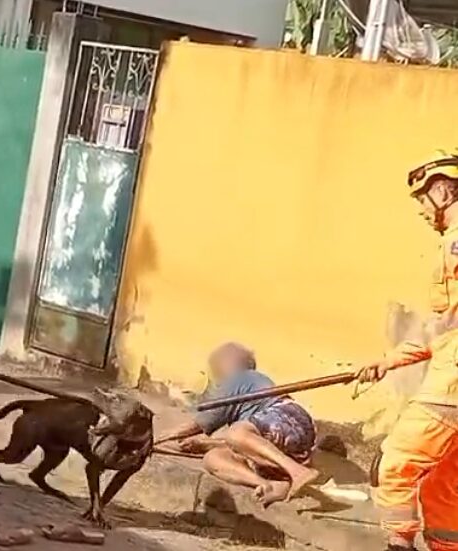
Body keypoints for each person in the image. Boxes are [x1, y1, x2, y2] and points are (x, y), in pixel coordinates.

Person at [355, 150, 458, 551]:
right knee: (441, 487)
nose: (419, 209)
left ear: (443, 190)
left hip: (451, 386)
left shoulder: (455, 245)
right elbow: (444, 327)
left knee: (393, 468)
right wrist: (389, 361)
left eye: (421, 197)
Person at [157, 342, 319, 507]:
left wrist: (162, 436)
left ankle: (297, 472)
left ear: (229, 364)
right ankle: (269, 484)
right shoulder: (246, 394)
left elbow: (197, 425)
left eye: (217, 368)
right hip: (277, 443)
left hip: (289, 418)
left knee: (236, 434)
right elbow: (252, 442)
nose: (215, 375)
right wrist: (152, 445)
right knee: (212, 459)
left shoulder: (243, 378)